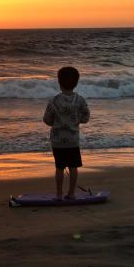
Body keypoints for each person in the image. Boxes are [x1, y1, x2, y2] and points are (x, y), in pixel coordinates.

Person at [43, 67, 90, 200]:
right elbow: (86, 117)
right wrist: (76, 120)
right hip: (73, 140)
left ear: (59, 82)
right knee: (73, 166)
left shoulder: (53, 101)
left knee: (59, 167)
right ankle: (71, 193)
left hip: (58, 141)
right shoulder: (80, 100)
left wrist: (55, 123)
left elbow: (46, 119)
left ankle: (58, 194)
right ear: (76, 82)